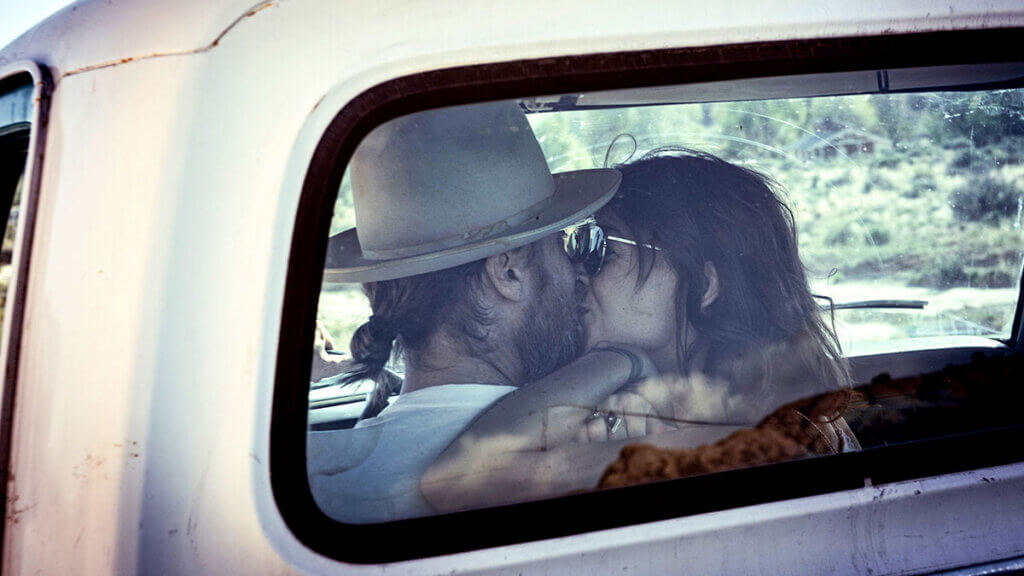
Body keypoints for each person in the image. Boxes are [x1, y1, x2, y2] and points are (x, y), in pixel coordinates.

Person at [422, 148, 859, 512]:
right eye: (579, 246)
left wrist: (616, 360)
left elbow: (456, 479)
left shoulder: (762, 446)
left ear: (702, 285)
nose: (579, 272)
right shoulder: (696, 416)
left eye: (603, 248)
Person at [306, 101, 622, 523]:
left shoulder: (314, 480)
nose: (578, 275)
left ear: (372, 290)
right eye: (562, 245)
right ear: (509, 272)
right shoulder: (585, 468)